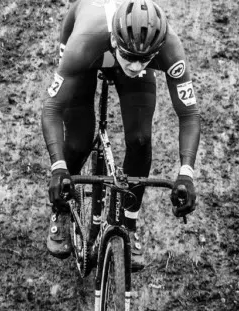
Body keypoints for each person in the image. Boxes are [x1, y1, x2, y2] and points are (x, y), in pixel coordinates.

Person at [41, 0, 201, 271]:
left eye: (146, 61)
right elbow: (52, 109)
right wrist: (58, 168)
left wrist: (186, 174)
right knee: (79, 140)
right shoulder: (83, 42)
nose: (138, 68)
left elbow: (189, 115)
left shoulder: (168, 47)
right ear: (115, 41)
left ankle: (129, 222)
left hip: (127, 45)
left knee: (140, 141)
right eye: (131, 58)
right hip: (90, 48)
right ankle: (62, 209)